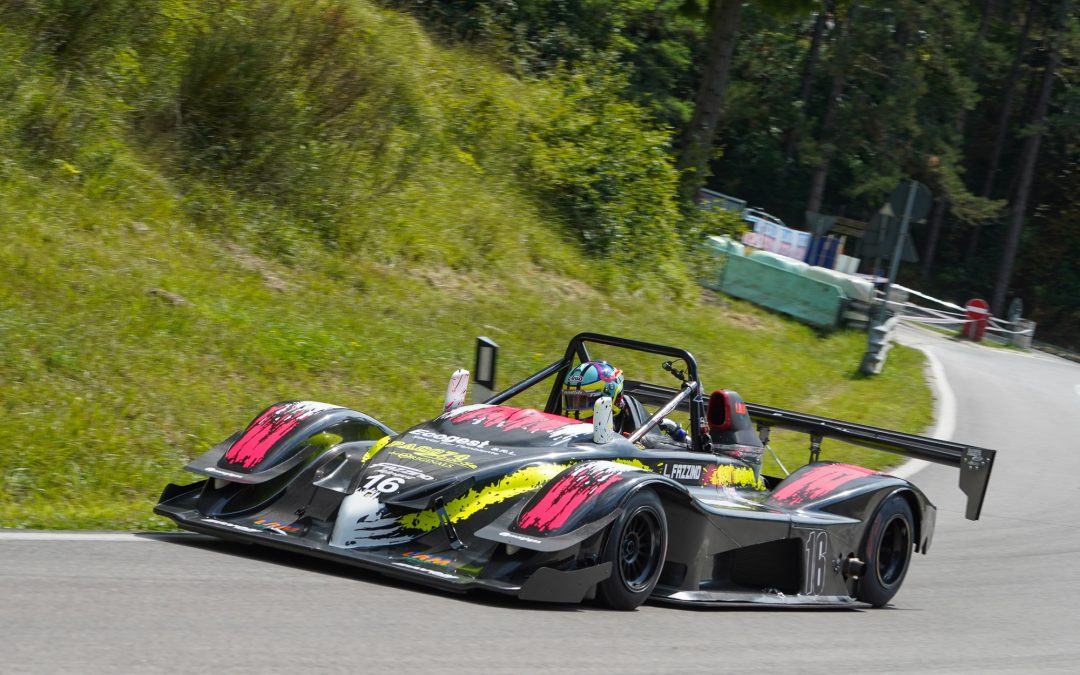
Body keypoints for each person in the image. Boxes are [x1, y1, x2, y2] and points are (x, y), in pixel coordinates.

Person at [561, 360, 688, 444]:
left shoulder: (640, 435)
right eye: (571, 400)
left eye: (583, 400)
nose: (575, 408)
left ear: (609, 397)